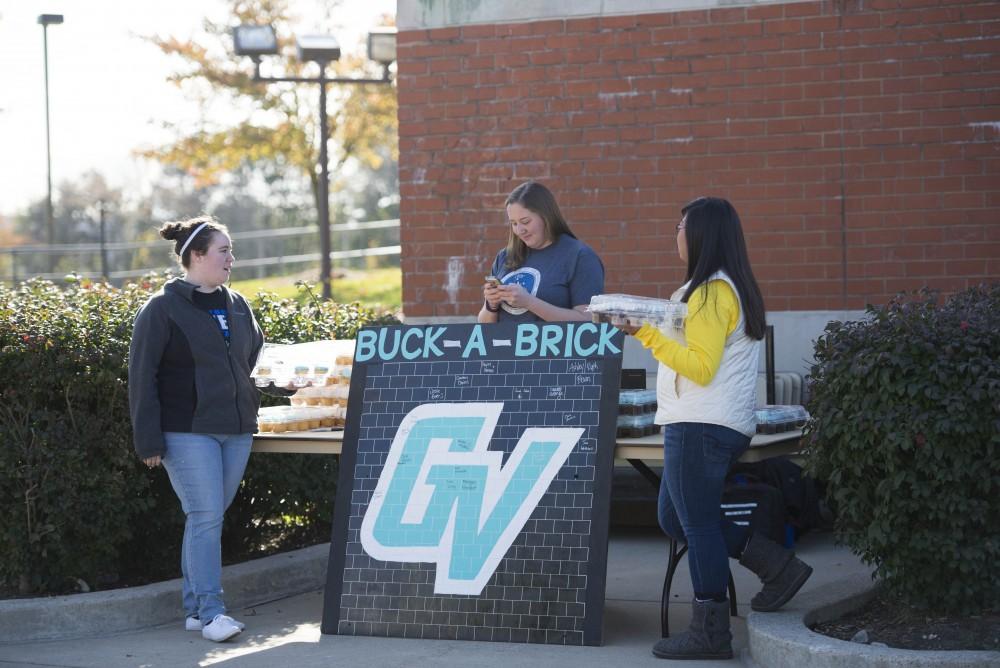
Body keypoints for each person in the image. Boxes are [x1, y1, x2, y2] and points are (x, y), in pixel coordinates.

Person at [617, 197, 812, 661]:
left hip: (701, 422)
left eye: (682, 224)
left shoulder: (709, 293)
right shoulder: (722, 288)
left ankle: (710, 631)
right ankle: (776, 564)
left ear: (702, 234)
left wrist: (643, 333)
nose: (676, 233)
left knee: (698, 523)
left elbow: (700, 367)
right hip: (711, 421)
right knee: (673, 518)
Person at [128, 216, 266, 643]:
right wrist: (148, 439)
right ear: (197, 256)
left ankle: (193, 609)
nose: (231, 258)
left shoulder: (238, 303)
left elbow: (253, 356)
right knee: (206, 516)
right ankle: (211, 613)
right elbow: (142, 375)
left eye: (230, 250)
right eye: (223, 250)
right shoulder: (161, 308)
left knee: (207, 518)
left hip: (236, 428)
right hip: (187, 431)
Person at [478, 180, 604, 323]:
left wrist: (530, 302)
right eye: (514, 223)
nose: (519, 230)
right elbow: (484, 326)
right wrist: (491, 305)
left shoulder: (580, 256)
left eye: (525, 221)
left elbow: (589, 321)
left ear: (546, 216)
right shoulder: (504, 257)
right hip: (505, 345)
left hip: (554, 345)